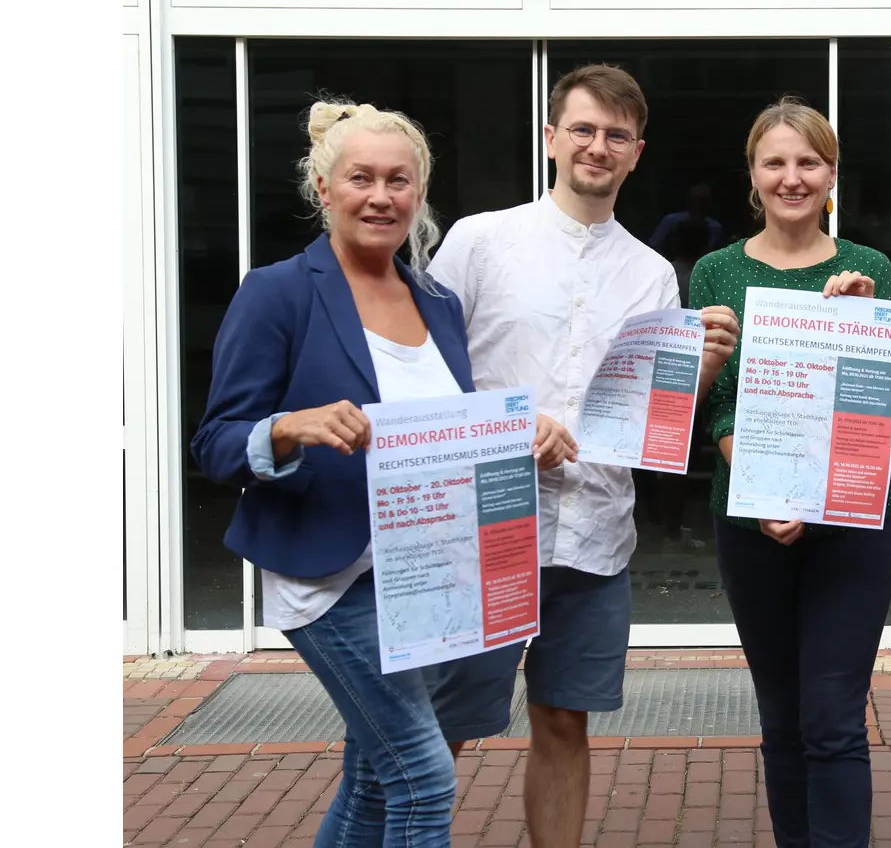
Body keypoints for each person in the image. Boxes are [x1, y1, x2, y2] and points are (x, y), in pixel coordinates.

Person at [189, 100, 548, 846]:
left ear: (418, 193)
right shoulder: (278, 292)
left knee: (371, 781)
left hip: (419, 582)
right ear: (324, 188)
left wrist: (516, 432)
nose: (380, 196)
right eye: (360, 178)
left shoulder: (437, 302)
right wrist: (288, 428)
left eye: (398, 180)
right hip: (328, 580)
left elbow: (445, 432)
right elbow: (216, 443)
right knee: (423, 775)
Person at [427, 64, 740, 848]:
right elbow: (421, 373)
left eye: (616, 136)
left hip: (595, 535)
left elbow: (650, 422)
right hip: (484, 525)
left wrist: (695, 380)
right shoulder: (478, 241)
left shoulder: (651, 275)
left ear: (636, 153)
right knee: (444, 723)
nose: (598, 147)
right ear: (551, 139)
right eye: (583, 130)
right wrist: (506, 429)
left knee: (565, 719)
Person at [687, 97, 891, 848]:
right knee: (781, 719)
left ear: (831, 173)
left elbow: (882, 403)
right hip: (750, 521)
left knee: (834, 719)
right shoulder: (715, 270)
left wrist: (869, 324)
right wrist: (757, 480)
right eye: (775, 162)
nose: (792, 177)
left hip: (849, 523)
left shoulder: (867, 267)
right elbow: (706, 397)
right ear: (752, 175)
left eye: (808, 162)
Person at [648, 182, 725, 258]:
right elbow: (654, 245)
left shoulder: (715, 227)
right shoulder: (671, 220)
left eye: (706, 200)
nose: (702, 204)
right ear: (690, 199)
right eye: (699, 199)